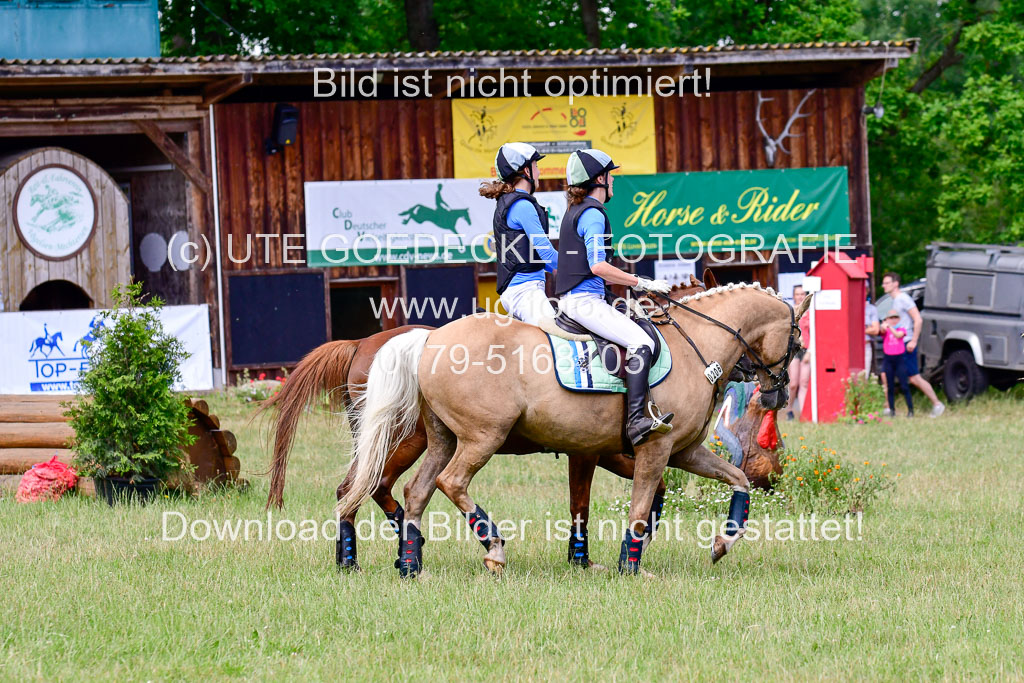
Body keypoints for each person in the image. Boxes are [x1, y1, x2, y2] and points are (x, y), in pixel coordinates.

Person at [554, 148, 674, 446]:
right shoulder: (593, 214)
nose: (614, 182)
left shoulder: (576, 210)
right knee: (642, 342)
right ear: (599, 179)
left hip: (584, 297)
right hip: (583, 301)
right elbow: (598, 266)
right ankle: (636, 421)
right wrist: (641, 282)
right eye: (611, 176)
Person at [479, 142, 558, 325]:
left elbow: (536, 259)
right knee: (561, 341)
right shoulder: (523, 206)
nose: (539, 172)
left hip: (522, 289)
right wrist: (584, 268)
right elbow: (547, 254)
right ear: (526, 172)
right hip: (525, 292)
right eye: (536, 166)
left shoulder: (512, 202)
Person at [881, 272, 945, 417]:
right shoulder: (895, 301)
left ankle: (937, 404)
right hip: (896, 344)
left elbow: (918, 319)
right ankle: (888, 408)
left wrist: (913, 340)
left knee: (914, 377)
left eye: (886, 283)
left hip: (905, 343)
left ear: (895, 284)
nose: (883, 286)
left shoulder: (904, 299)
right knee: (887, 374)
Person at [881, 311, 914, 416]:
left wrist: (890, 327)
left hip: (899, 359)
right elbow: (880, 330)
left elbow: (898, 335)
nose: (894, 320)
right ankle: (892, 410)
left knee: (904, 385)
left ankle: (910, 410)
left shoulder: (901, 329)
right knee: (890, 386)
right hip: (888, 359)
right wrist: (883, 325)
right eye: (891, 318)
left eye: (895, 317)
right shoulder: (885, 330)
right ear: (887, 319)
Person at [786, 285, 810, 420]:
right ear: (794, 296)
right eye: (797, 294)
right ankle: (789, 410)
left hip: (807, 349)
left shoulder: (810, 313)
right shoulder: (791, 312)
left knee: (804, 382)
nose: (800, 296)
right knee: (793, 382)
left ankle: (803, 413)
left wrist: (810, 351)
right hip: (795, 350)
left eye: (802, 294)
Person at [864, 296, 879, 375]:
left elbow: (875, 330)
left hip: (866, 345)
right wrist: (867, 328)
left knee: (865, 375)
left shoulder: (871, 308)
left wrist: (859, 330)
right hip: (852, 347)